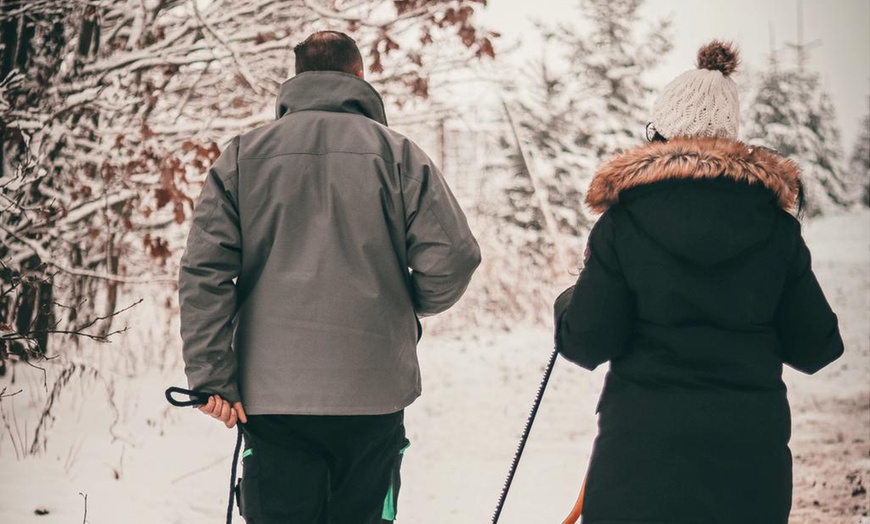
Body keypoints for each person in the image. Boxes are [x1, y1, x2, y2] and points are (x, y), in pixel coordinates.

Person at [178, 31, 481, 523]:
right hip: (374, 386)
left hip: (271, 398)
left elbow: (204, 272)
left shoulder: (240, 157)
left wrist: (212, 376)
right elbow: (455, 255)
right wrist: (408, 303)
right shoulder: (399, 154)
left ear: (295, 81)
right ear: (359, 76)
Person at [554, 41, 844, 524]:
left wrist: (570, 299)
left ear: (659, 135)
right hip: (748, 469)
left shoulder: (623, 224)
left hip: (639, 465)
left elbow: (585, 342)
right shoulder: (777, 229)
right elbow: (817, 348)